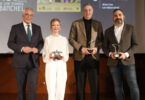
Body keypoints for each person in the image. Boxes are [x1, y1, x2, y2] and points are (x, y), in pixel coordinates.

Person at [103, 9, 140, 100]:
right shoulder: (108, 31)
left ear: (123, 16)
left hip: (128, 61)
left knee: (133, 85)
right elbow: (104, 47)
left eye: (120, 15)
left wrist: (126, 54)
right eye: (115, 15)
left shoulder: (130, 28)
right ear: (113, 18)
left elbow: (136, 45)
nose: (118, 17)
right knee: (117, 86)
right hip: (113, 63)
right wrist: (110, 54)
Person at [7, 8, 44, 100]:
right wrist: (22, 49)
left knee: (32, 88)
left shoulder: (37, 28)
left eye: (31, 15)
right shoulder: (15, 27)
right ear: (23, 16)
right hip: (20, 63)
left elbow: (41, 42)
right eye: (27, 14)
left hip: (33, 63)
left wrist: (37, 49)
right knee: (21, 88)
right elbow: (10, 43)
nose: (29, 17)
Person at [69, 3, 103, 100]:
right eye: (85, 10)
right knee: (80, 85)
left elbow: (102, 40)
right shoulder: (75, 23)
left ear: (92, 11)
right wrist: (81, 48)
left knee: (95, 85)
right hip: (80, 57)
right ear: (82, 11)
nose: (87, 12)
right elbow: (71, 39)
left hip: (93, 57)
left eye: (89, 10)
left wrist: (97, 48)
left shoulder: (98, 24)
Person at [42, 18, 69, 100]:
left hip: (61, 65)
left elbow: (67, 55)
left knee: (61, 86)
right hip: (51, 64)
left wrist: (63, 57)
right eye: (53, 25)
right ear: (51, 27)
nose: (55, 27)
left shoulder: (64, 39)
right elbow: (44, 55)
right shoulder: (48, 39)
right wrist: (49, 56)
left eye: (57, 25)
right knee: (51, 86)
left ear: (60, 27)